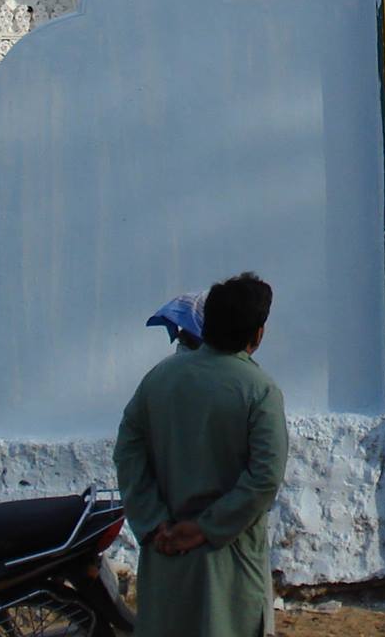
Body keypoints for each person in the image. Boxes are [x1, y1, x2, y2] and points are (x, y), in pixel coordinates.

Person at [114, 273, 288, 637]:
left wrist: (154, 522)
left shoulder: (158, 379)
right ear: (257, 335)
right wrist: (206, 528)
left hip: (165, 551)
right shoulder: (259, 390)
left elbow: (128, 452)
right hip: (230, 556)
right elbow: (265, 477)